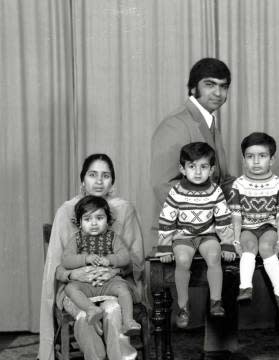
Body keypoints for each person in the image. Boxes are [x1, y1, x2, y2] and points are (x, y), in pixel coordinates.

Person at [39, 154, 145, 360]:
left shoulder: (124, 210)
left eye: (105, 175)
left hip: (113, 283)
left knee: (114, 311)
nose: (98, 181)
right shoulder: (66, 211)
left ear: (112, 181)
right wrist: (77, 274)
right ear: (82, 179)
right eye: (92, 174)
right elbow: (56, 268)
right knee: (83, 316)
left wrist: (112, 271)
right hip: (76, 288)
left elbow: (136, 261)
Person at [158, 142, 236, 328]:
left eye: (204, 167)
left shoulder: (215, 191)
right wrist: (165, 246)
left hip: (207, 235)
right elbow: (167, 218)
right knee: (183, 260)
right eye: (192, 166)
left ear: (212, 170)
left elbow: (224, 218)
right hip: (183, 237)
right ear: (182, 169)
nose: (198, 172)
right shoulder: (176, 192)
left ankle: (216, 302)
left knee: (214, 255)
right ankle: (183, 306)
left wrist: (227, 243)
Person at [151, 57, 236, 207]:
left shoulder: (210, 123)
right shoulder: (175, 125)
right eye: (210, 85)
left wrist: (257, 187)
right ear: (193, 88)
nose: (218, 93)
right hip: (181, 227)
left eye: (223, 86)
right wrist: (206, 211)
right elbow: (163, 186)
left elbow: (222, 180)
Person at [229, 132, 279, 318]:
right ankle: (245, 288)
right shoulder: (239, 184)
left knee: (267, 247)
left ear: (272, 159)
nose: (256, 162)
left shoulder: (277, 184)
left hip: (269, 228)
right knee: (249, 246)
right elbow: (235, 215)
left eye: (262, 156)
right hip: (247, 229)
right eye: (250, 157)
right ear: (243, 159)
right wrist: (235, 239)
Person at [62, 195, 141, 336]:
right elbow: (66, 260)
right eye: (87, 219)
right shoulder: (77, 239)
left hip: (109, 282)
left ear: (108, 221)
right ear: (79, 223)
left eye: (99, 218)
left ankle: (128, 321)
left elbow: (125, 258)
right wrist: (85, 258)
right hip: (86, 284)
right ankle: (91, 309)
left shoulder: (113, 238)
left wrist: (109, 260)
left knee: (123, 289)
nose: (93, 223)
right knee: (70, 288)